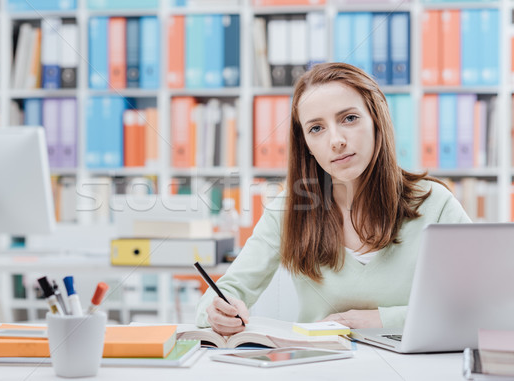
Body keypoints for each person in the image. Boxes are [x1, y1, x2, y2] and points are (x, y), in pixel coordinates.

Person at [195, 62, 471, 336]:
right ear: (307, 145)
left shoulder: (434, 203)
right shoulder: (290, 207)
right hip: (320, 365)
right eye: (316, 128)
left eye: (349, 118)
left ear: (377, 121)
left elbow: (478, 305)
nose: (336, 140)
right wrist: (219, 311)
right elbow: (226, 291)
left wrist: (380, 319)